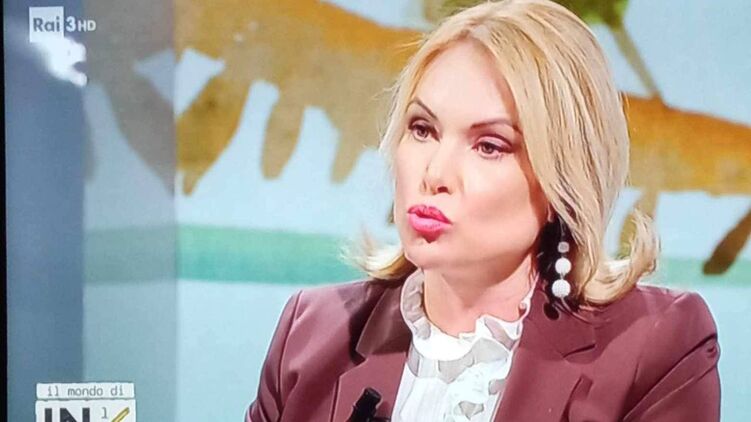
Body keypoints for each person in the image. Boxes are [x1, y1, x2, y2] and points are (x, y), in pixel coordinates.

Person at [246, 0, 721, 420]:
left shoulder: (655, 348)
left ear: (562, 181)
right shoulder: (310, 335)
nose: (436, 173)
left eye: (489, 145)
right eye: (423, 129)